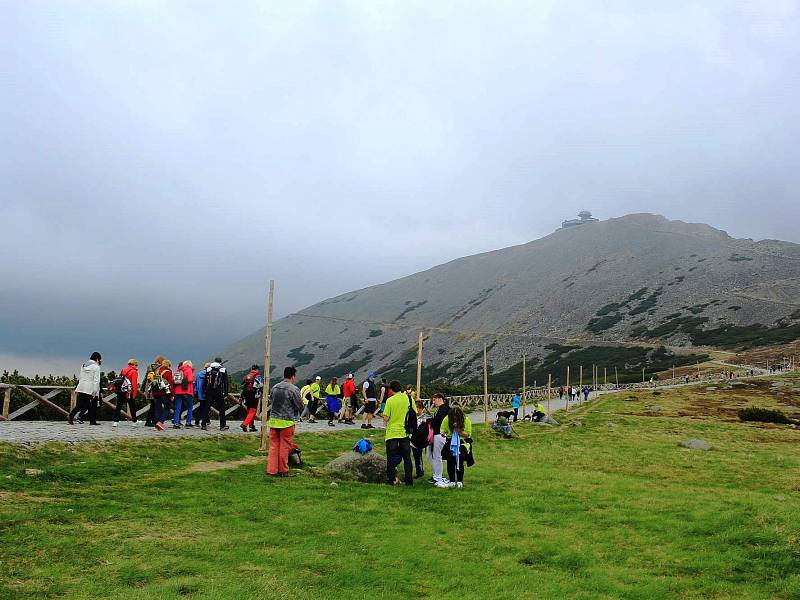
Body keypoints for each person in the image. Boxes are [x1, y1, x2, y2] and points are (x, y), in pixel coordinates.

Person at [266, 366, 303, 477]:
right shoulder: (294, 389)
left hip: (273, 420)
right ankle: (283, 470)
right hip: (287, 421)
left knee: (273, 446)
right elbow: (300, 406)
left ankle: (271, 470)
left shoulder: (275, 387)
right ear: (293, 376)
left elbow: (271, 400)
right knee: (284, 447)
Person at [383, 380, 414, 486]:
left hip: (392, 432)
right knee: (407, 457)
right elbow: (414, 412)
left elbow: (386, 417)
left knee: (391, 457)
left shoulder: (390, 400)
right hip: (404, 432)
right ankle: (409, 480)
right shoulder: (408, 398)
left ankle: (392, 479)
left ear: (391, 390)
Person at [439, 406, 473, 489]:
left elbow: (468, 435)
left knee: (459, 462)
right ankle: (452, 481)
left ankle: (460, 481)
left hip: (462, 443)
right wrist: (443, 433)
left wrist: (459, 431)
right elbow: (442, 430)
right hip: (450, 442)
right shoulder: (446, 419)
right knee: (450, 462)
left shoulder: (466, 420)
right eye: (452, 418)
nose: (454, 420)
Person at [69, 352, 102, 425]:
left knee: (81, 404)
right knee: (91, 405)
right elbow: (96, 380)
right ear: (97, 359)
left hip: (81, 387)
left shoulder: (83, 365)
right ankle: (92, 421)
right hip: (90, 388)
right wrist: (95, 391)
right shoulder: (96, 367)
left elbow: (81, 377)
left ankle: (71, 416)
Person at [426, 393, 450, 485]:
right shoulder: (442, 408)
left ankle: (437, 476)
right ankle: (436, 475)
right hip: (436, 434)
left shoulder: (444, 409)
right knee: (432, 456)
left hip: (439, 434)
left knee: (437, 456)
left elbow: (438, 421)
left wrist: (428, 421)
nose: (433, 402)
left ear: (440, 399)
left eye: (434, 400)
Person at [204, 358, 229, 431]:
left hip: (209, 391)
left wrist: (205, 390)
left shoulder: (208, 369)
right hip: (218, 391)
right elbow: (225, 382)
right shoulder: (223, 369)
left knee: (207, 407)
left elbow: (206, 381)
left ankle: (203, 424)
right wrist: (226, 392)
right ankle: (222, 425)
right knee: (221, 408)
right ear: (220, 362)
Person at [112, 358, 139, 427]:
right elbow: (134, 384)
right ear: (135, 364)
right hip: (129, 392)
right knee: (132, 406)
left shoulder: (123, 370)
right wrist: (135, 393)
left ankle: (115, 421)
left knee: (119, 406)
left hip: (121, 390)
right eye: (136, 365)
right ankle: (134, 421)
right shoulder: (134, 372)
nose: (137, 367)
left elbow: (119, 379)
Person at [152, 359, 175, 431]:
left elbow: (155, 383)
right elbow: (170, 384)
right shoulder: (168, 372)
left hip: (156, 393)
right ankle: (160, 422)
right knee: (167, 408)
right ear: (168, 365)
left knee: (158, 409)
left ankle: (156, 424)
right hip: (164, 393)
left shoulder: (157, 371)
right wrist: (172, 395)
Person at [239, 365, 263, 432]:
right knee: (253, 411)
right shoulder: (257, 376)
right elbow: (260, 386)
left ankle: (252, 426)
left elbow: (243, 386)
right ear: (257, 369)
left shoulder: (247, 376)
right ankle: (245, 424)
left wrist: (241, 397)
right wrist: (262, 392)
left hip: (246, 395)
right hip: (254, 395)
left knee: (249, 410)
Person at [143, 356, 165, 427]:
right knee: (155, 406)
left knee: (152, 406)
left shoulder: (150, 367)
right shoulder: (159, 368)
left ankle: (149, 421)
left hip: (149, 389)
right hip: (156, 390)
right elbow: (158, 379)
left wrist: (143, 389)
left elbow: (145, 379)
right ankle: (151, 421)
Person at [172, 360, 195, 429]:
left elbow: (174, 380)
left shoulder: (179, 370)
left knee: (177, 407)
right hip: (187, 391)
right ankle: (188, 422)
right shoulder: (189, 370)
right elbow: (190, 379)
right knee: (190, 407)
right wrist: (193, 377)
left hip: (178, 391)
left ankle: (176, 423)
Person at [194, 362, 209, 427]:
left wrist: (196, 392)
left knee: (201, 407)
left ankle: (197, 421)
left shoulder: (198, 374)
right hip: (207, 393)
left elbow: (196, 383)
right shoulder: (209, 374)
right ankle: (205, 421)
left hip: (199, 393)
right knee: (206, 407)